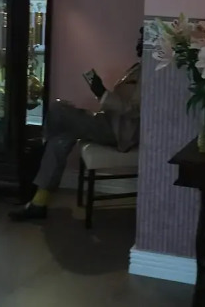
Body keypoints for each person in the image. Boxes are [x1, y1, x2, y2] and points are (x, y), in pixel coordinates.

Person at [9, 35, 142, 222]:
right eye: (139, 37)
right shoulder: (137, 68)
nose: (138, 41)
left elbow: (135, 111)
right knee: (61, 138)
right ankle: (39, 203)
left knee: (58, 109)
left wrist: (103, 93)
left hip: (118, 132)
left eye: (143, 37)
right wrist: (101, 93)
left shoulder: (149, 74)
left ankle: (43, 145)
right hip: (107, 121)